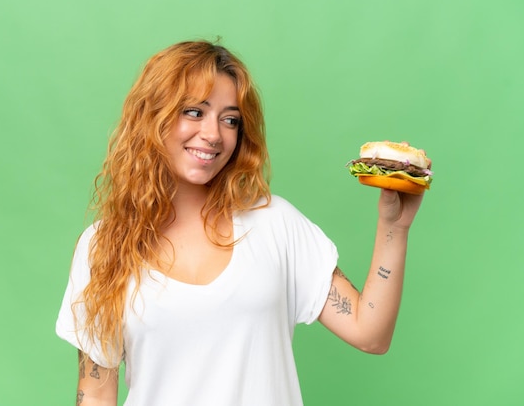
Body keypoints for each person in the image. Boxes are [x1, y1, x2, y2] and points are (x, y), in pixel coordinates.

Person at [55, 40, 425, 406]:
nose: (214, 134)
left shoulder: (275, 223)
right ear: (153, 116)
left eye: (229, 119)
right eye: (194, 112)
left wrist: (394, 226)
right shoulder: (103, 246)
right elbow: (96, 396)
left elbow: (370, 334)